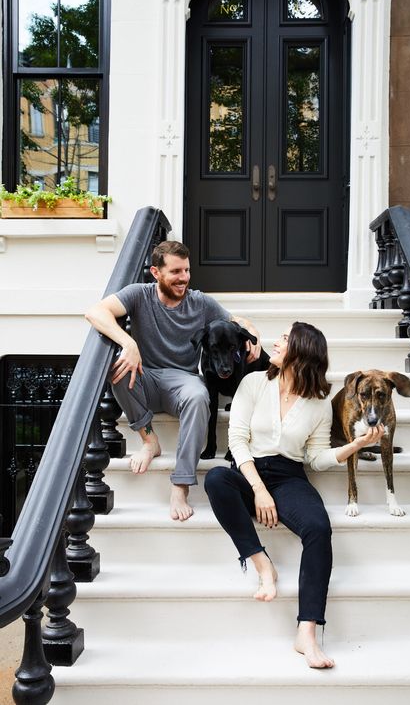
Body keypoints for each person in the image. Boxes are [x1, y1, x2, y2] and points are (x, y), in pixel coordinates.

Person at [204, 322, 384, 669]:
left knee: (318, 528)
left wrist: (356, 445)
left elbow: (315, 458)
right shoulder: (253, 383)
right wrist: (258, 489)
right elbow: (237, 441)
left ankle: (307, 632)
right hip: (251, 470)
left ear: (301, 351)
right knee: (215, 480)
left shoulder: (317, 404)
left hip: (290, 477)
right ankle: (262, 565)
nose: (276, 342)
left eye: (285, 339)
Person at [85, 240, 261, 522]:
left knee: (199, 396)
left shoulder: (200, 302)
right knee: (115, 368)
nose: (184, 278)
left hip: (183, 381)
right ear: (156, 272)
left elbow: (233, 320)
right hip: (146, 376)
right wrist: (128, 342)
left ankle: (180, 486)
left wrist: (253, 331)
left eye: (187, 271)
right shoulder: (138, 295)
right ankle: (150, 441)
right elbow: (95, 312)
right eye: (176, 271)